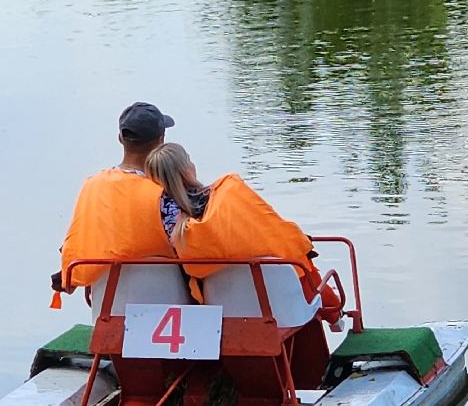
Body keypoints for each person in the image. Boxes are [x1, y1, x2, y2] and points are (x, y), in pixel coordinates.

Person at [53, 102, 178, 299]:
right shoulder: (167, 192)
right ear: (161, 140)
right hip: (166, 296)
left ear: (120, 138)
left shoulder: (92, 186)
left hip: (107, 299)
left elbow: (78, 240)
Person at [144, 143, 315, 282]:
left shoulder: (157, 216)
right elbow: (272, 231)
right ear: (187, 169)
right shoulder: (227, 195)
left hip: (209, 298)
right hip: (271, 289)